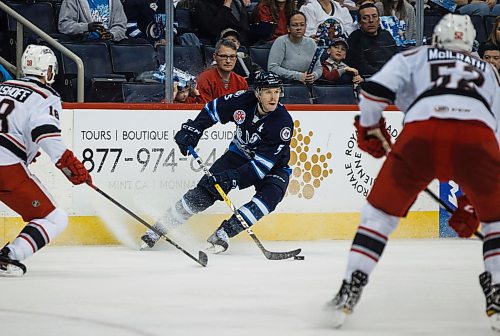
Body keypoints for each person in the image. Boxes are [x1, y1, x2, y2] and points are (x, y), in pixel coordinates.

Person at [326, 14, 500, 330]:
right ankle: (498, 293)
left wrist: (370, 128)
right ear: (470, 45)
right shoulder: (488, 69)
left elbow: (372, 91)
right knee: (496, 222)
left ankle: (349, 290)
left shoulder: (415, 55)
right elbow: (498, 130)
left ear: (436, 39)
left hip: (422, 136)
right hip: (478, 139)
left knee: (379, 217)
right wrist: (475, 202)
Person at [140, 71, 293, 253]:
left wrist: (233, 178)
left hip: (273, 166)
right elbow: (213, 110)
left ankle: (223, 233)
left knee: (270, 196)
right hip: (239, 155)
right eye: (268, 91)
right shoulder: (242, 101)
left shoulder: (282, 123)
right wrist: (195, 128)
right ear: (257, 93)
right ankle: (159, 228)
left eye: (277, 91)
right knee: (205, 192)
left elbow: (260, 167)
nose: (273, 97)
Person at [0, 45, 92, 277]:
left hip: (8, 159)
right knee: (53, 218)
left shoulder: (3, 87)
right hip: (5, 167)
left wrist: (27, 150)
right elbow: (45, 135)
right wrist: (69, 166)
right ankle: (9, 256)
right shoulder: (45, 96)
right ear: (48, 70)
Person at [345, 2, 398, 77]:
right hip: (371, 80)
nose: (371, 20)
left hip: (392, 78)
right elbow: (362, 67)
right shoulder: (355, 38)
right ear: (359, 23)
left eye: (374, 16)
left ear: (379, 20)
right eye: (365, 18)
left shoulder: (386, 35)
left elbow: (397, 60)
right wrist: (384, 75)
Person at [268, 11, 323, 84]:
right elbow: (272, 68)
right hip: (286, 84)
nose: (299, 28)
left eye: (302, 25)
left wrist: (314, 75)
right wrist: (298, 76)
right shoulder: (281, 42)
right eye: (294, 25)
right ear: (288, 28)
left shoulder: (311, 43)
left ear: (305, 27)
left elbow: (318, 67)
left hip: (307, 84)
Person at [196, 39, 249, 103]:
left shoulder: (241, 82)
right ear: (215, 57)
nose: (228, 61)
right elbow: (207, 109)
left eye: (232, 56)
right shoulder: (205, 79)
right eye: (223, 56)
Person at [58, 0, 128, 42]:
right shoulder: (72, 1)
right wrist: (86, 27)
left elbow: (121, 26)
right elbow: (64, 25)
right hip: (87, 45)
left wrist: (112, 35)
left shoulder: (115, 1)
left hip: (111, 44)